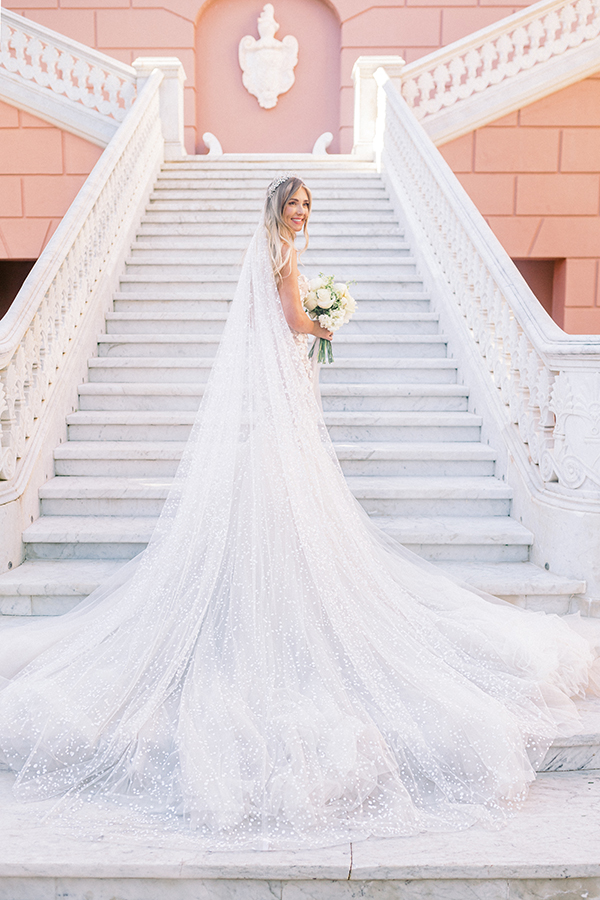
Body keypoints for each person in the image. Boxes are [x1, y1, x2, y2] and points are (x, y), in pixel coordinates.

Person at [0, 175, 597, 851]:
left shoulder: (268, 252)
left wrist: (321, 318)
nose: (302, 213)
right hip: (283, 417)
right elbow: (290, 322)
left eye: (308, 205)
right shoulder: (281, 256)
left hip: (280, 407)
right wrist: (328, 320)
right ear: (278, 211)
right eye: (295, 205)